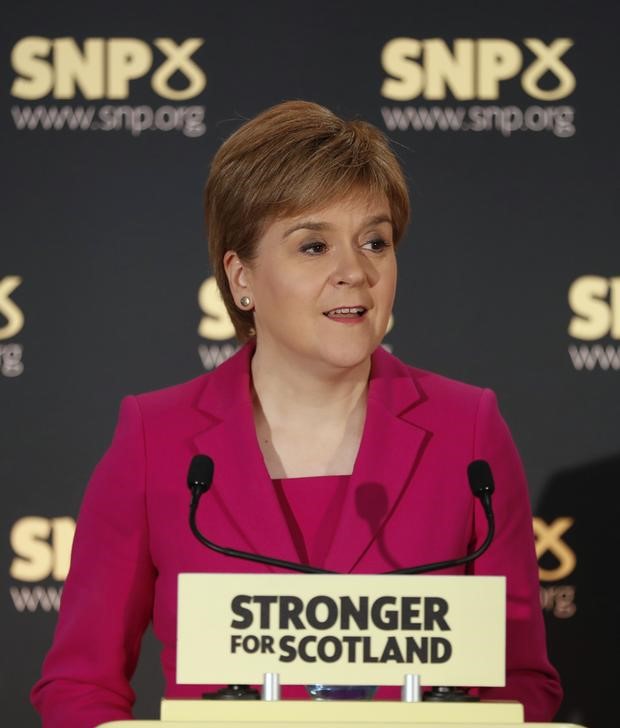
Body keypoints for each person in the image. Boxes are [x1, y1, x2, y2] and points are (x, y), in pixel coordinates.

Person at [31, 100, 562, 726]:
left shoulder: (467, 427)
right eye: (313, 245)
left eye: (375, 241)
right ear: (240, 278)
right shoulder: (158, 438)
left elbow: (520, 680)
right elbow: (79, 685)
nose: (354, 273)